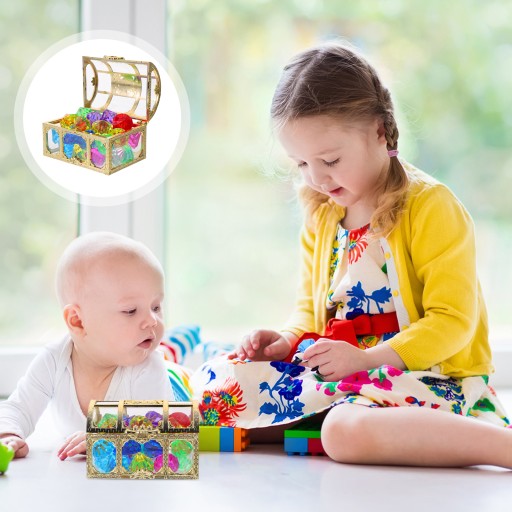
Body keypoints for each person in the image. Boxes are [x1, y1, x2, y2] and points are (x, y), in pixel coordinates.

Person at [191, 41, 512, 469]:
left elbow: (452, 322)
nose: (317, 178)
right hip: (346, 374)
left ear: (379, 131)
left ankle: (500, 445)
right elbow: (310, 311)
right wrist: (285, 341)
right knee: (213, 392)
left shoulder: (430, 206)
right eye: (301, 164)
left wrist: (367, 359)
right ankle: (343, 417)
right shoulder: (323, 213)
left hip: (428, 375)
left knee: (342, 432)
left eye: (330, 160)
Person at [0, 232, 174, 460]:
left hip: (174, 386)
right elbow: (18, 407)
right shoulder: (54, 360)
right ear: (78, 321)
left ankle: (177, 347)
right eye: (130, 311)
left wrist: (107, 439)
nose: (152, 320)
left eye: (156, 307)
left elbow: (159, 432)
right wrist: (8, 434)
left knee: (185, 378)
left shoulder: (148, 366)